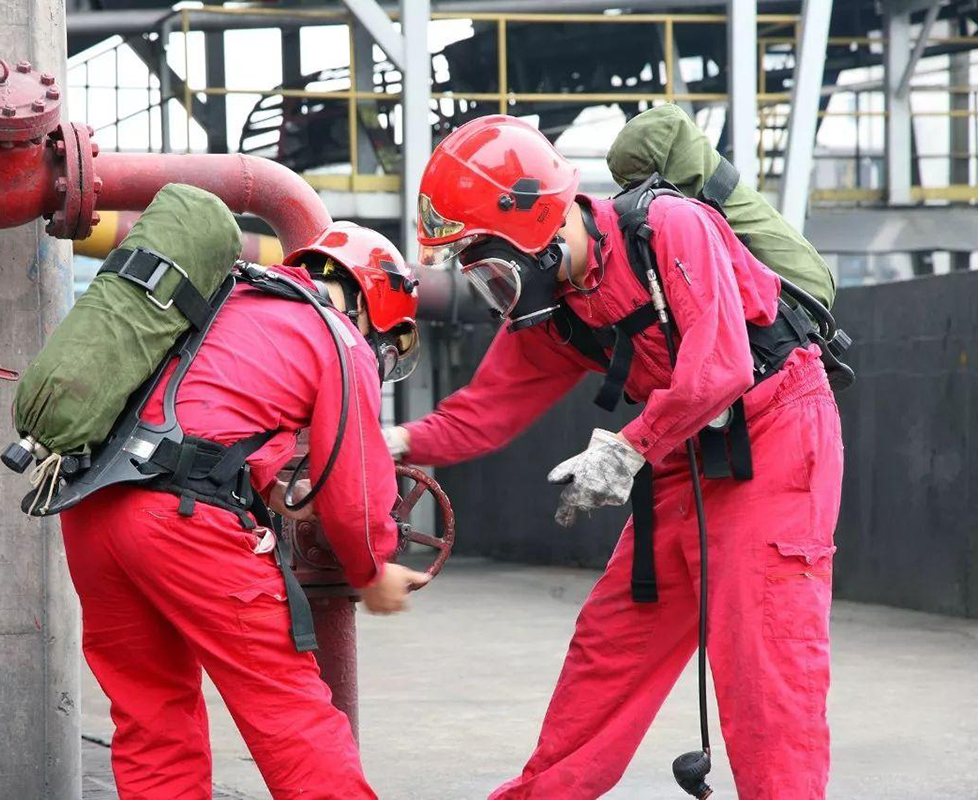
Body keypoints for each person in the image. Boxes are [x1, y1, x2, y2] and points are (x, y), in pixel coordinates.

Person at [386, 115, 843, 799]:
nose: (489, 289)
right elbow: (483, 413)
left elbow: (720, 368)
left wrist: (627, 449)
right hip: (677, 455)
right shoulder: (553, 308)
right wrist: (390, 440)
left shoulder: (669, 227)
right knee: (608, 651)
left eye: (484, 262)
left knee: (764, 668)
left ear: (531, 221)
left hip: (775, 439)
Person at [61, 219, 430, 800]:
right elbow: (356, 489)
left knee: (151, 718)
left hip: (92, 509)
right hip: (182, 524)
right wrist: (372, 568)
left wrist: (267, 491)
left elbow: (194, 411)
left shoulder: (219, 295)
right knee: (291, 713)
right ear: (369, 302)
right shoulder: (336, 334)